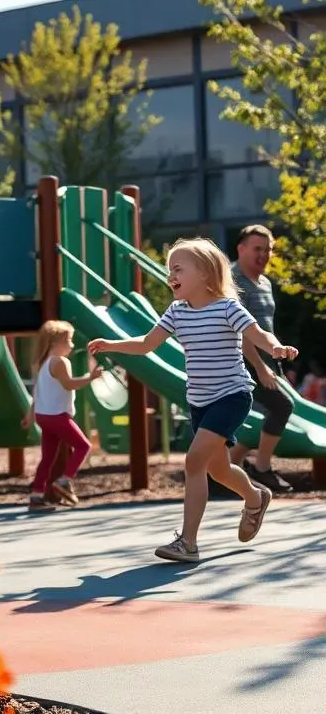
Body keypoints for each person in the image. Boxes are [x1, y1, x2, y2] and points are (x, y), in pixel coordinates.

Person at [89, 237, 298, 564]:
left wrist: (275, 349)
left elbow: (258, 335)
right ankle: (256, 497)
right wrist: (110, 344)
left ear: (204, 274)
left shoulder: (228, 308)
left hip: (232, 395)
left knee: (193, 462)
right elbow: (146, 344)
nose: (170, 274)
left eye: (178, 268)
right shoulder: (177, 311)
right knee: (218, 470)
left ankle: (188, 542)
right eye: (169, 269)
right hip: (200, 401)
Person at [229, 225, 294, 493]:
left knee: (257, 416)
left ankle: (230, 467)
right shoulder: (232, 281)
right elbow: (239, 328)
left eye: (267, 249)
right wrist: (259, 368)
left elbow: (265, 325)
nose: (263, 254)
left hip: (267, 360)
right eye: (257, 249)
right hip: (243, 361)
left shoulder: (264, 281)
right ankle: (262, 468)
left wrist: (274, 361)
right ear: (241, 248)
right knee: (282, 407)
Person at [22, 320, 101, 511]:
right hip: (57, 415)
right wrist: (90, 378)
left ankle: (36, 496)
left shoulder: (42, 363)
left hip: (43, 415)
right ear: (54, 343)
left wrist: (30, 415)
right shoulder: (59, 362)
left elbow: (37, 393)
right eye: (69, 340)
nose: (72, 345)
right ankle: (65, 481)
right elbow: (68, 384)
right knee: (83, 445)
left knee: (48, 458)